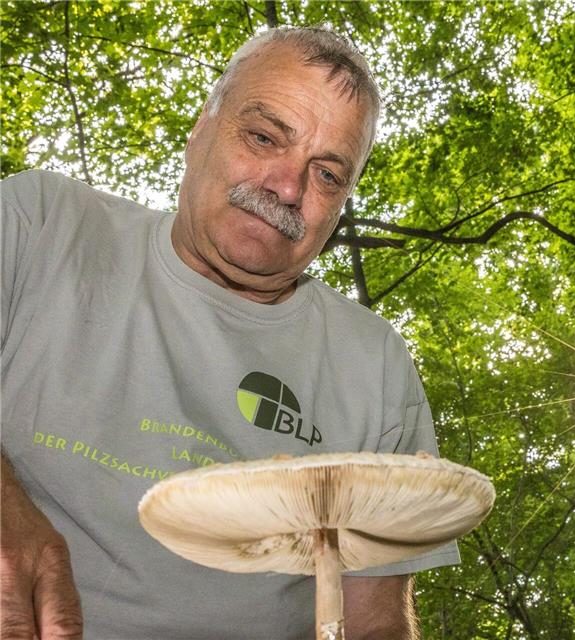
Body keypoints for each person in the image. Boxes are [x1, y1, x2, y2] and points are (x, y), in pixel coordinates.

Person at [0, 26, 458, 639]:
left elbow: (375, 619)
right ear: (200, 131)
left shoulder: (374, 363)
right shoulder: (42, 223)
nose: (288, 187)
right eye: (265, 137)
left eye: (326, 176)